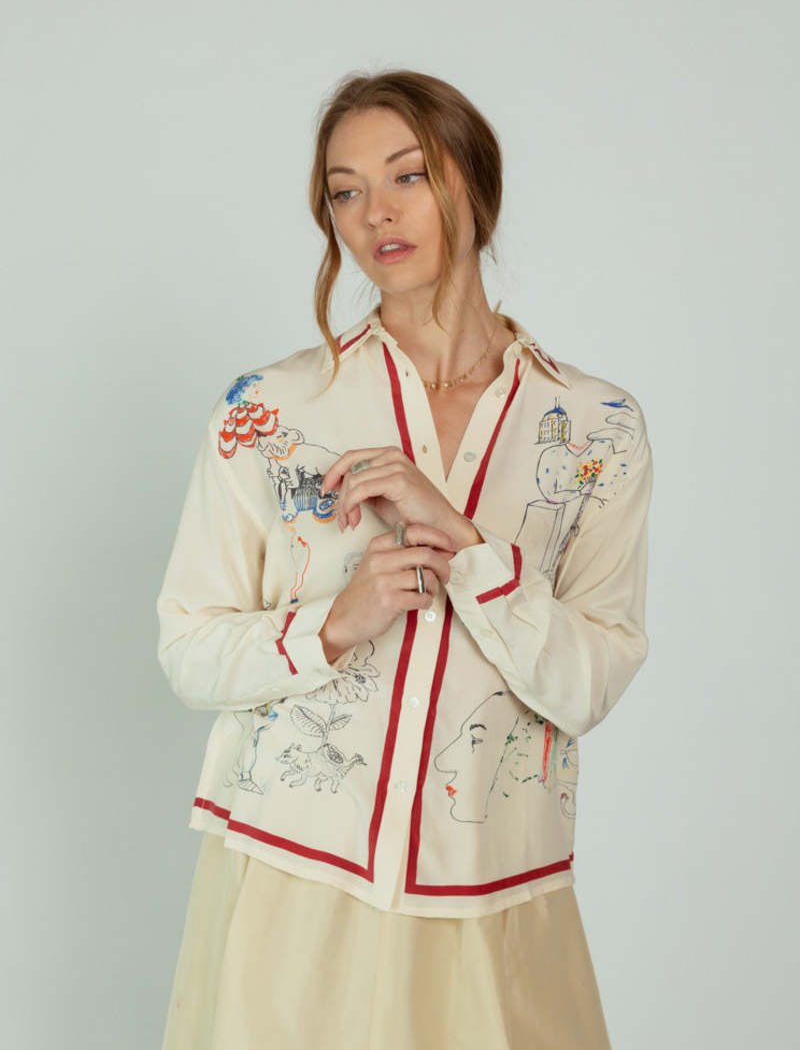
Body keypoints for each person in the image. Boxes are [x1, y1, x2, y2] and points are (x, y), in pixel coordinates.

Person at [156, 68, 653, 1050]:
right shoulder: (269, 412)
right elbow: (187, 651)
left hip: (493, 898)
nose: (374, 212)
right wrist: (333, 626)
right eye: (344, 191)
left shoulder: (596, 427)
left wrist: (467, 549)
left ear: (472, 180)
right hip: (298, 885)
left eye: (406, 175)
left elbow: (589, 680)